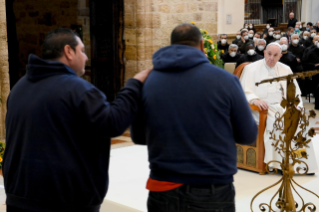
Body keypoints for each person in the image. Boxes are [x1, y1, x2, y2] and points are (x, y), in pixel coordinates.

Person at [3, 28, 152, 211]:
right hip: (64, 203)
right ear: (68, 51)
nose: (87, 57)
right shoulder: (77, 90)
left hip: (19, 200)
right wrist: (134, 85)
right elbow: (113, 123)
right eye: (82, 50)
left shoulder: (18, 88)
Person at [131, 23, 258, 212]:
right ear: (201, 45)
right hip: (211, 189)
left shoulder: (149, 81)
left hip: (163, 188)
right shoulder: (225, 80)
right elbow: (248, 135)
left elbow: (138, 136)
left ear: (172, 45)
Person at [240, 43, 318, 174]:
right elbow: (243, 90)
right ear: (264, 52)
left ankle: (301, 163)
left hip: (282, 106)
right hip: (260, 108)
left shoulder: (285, 69)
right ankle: (279, 164)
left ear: (280, 56)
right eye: (269, 54)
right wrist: (255, 100)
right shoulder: (251, 69)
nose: (271, 58)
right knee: (278, 123)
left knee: (299, 121)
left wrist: (297, 106)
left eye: (275, 55)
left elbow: (295, 92)